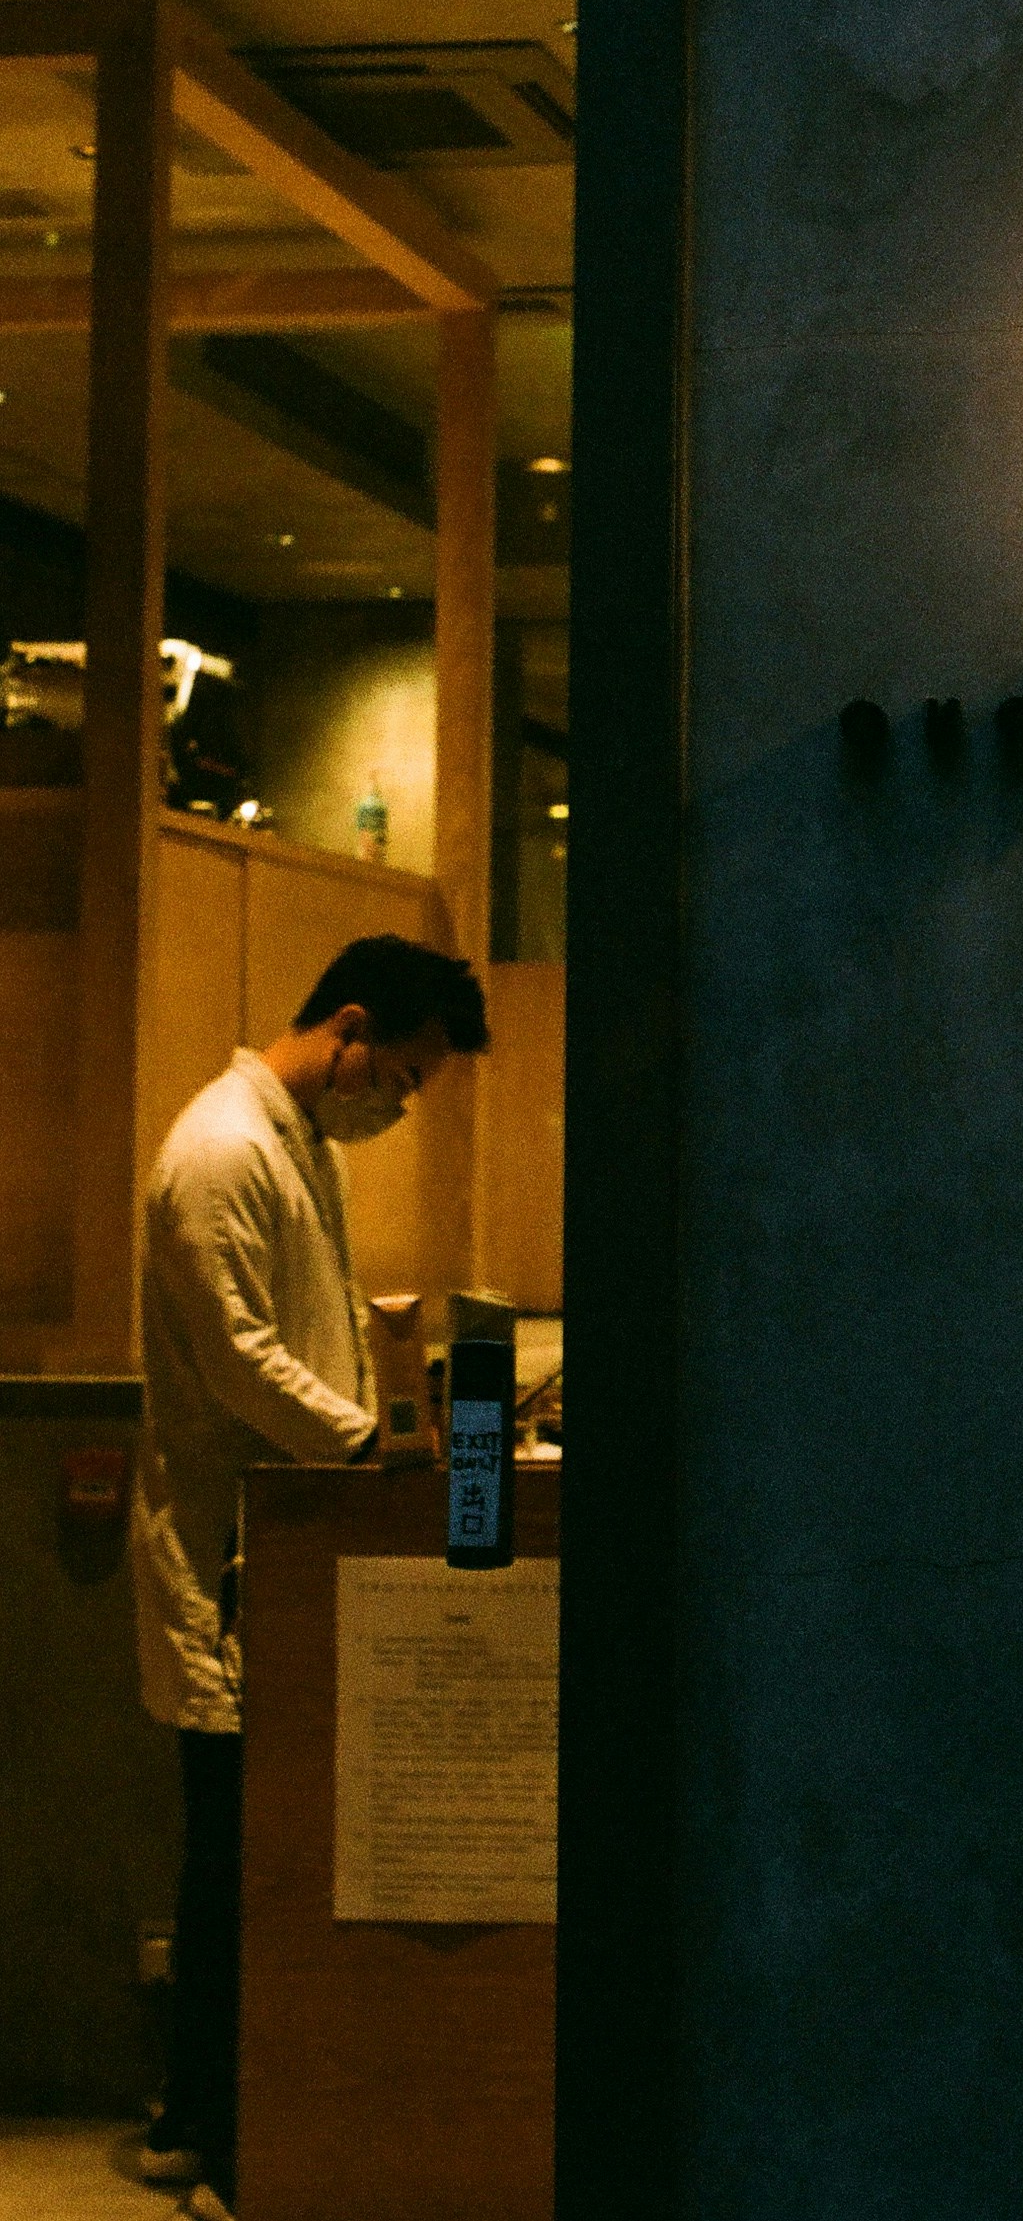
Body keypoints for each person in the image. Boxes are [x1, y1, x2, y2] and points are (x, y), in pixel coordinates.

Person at [130, 935, 490, 2221]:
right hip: (234, 1554)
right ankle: (217, 2134)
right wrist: (368, 1445)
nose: (397, 1103)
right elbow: (241, 1358)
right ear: (347, 1029)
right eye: (399, 1075)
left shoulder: (293, 1146)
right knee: (241, 1861)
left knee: (250, 1854)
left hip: (279, 1543)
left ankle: (208, 2120)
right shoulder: (223, 1148)